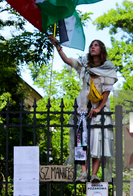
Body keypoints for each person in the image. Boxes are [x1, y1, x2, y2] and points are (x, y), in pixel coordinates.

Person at [49, 36, 117, 182]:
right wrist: (57, 46)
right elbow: (68, 61)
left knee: (97, 140)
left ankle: (94, 174)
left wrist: (99, 108)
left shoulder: (107, 67)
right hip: (83, 107)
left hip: (100, 109)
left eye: (96, 45)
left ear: (102, 50)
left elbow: (107, 91)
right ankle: (83, 173)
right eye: (91, 45)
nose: (93, 47)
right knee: (82, 140)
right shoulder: (84, 64)